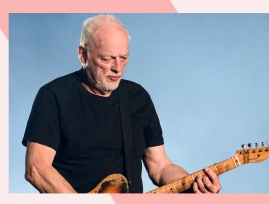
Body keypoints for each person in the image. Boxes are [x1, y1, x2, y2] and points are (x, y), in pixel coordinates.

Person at [22, 15, 221, 194]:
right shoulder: (54, 96)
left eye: (123, 58)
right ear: (83, 55)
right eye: (107, 59)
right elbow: (37, 169)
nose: (117, 68)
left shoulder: (137, 97)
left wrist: (195, 184)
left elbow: (160, 166)